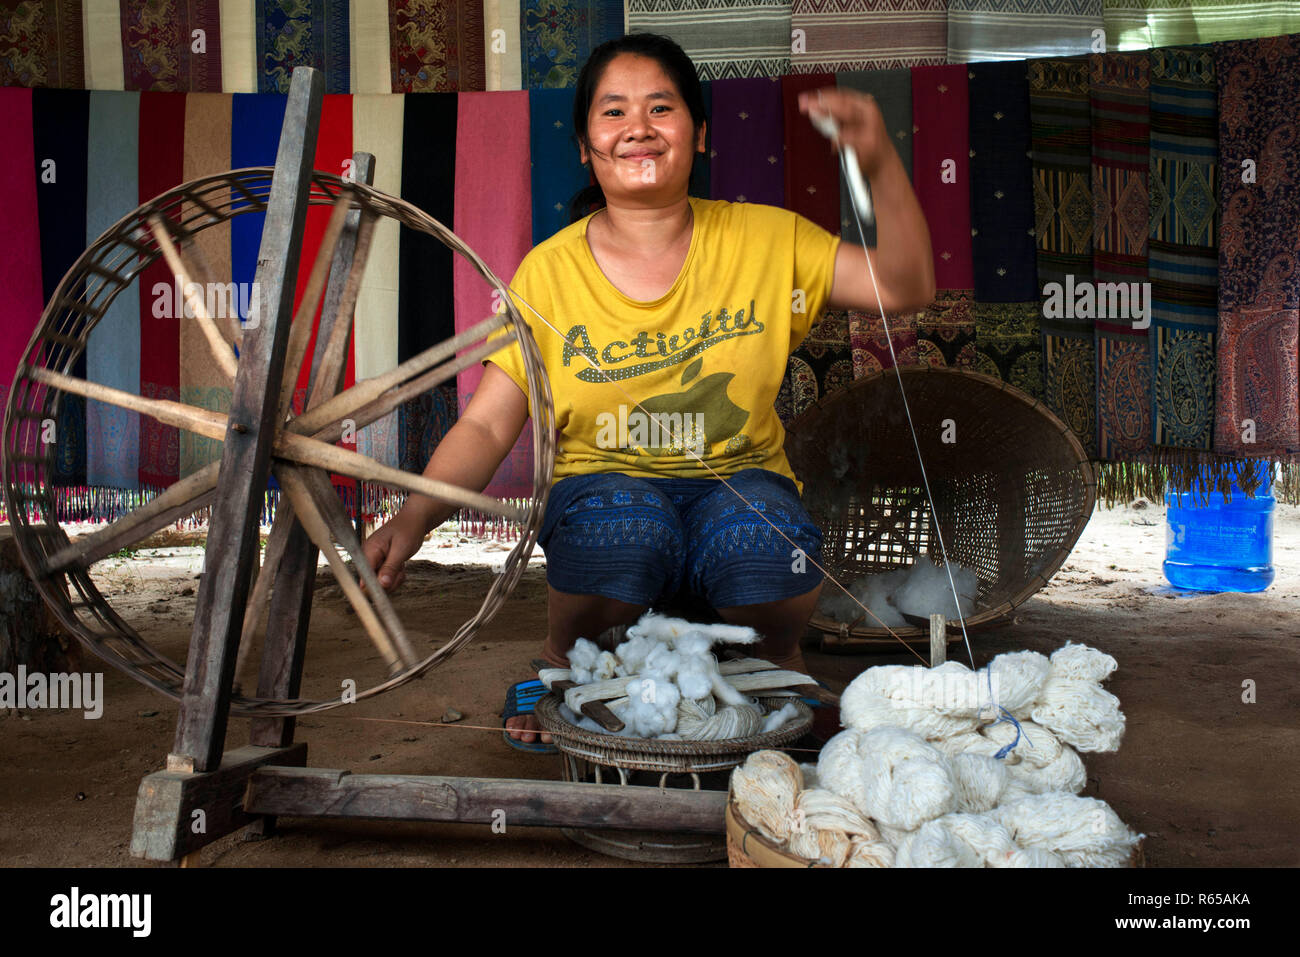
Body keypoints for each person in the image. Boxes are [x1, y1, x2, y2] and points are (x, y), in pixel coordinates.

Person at [362, 33, 935, 748]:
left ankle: (775, 659)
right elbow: (485, 427)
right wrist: (412, 521)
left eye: (661, 107)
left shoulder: (767, 240)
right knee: (624, 522)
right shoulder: (547, 274)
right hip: (611, 511)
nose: (638, 126)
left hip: (736, 492)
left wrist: (876, 160)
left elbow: (907, 286)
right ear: (584, 145)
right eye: (614, 112)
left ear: (699, 133)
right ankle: (565, 663)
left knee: (765, 538)